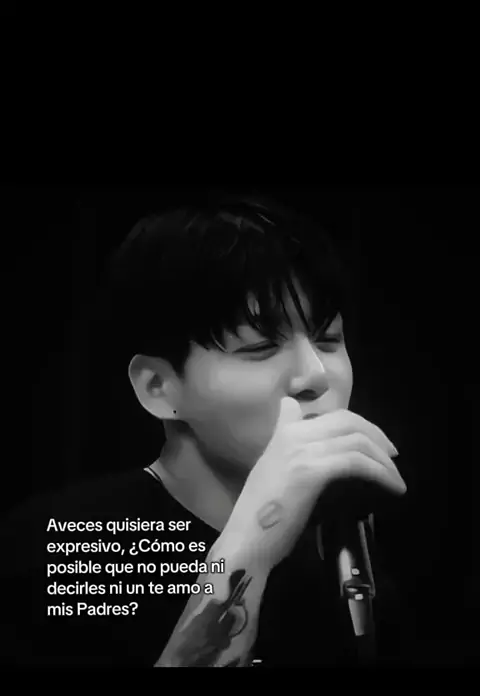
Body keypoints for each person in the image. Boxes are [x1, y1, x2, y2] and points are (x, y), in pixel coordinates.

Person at [0, 190, 412, 668]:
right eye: (259, 348)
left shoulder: (356, 539)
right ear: (159, 387)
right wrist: (254, 537)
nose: (315, 375)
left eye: (329, 340)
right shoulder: (70, 545)